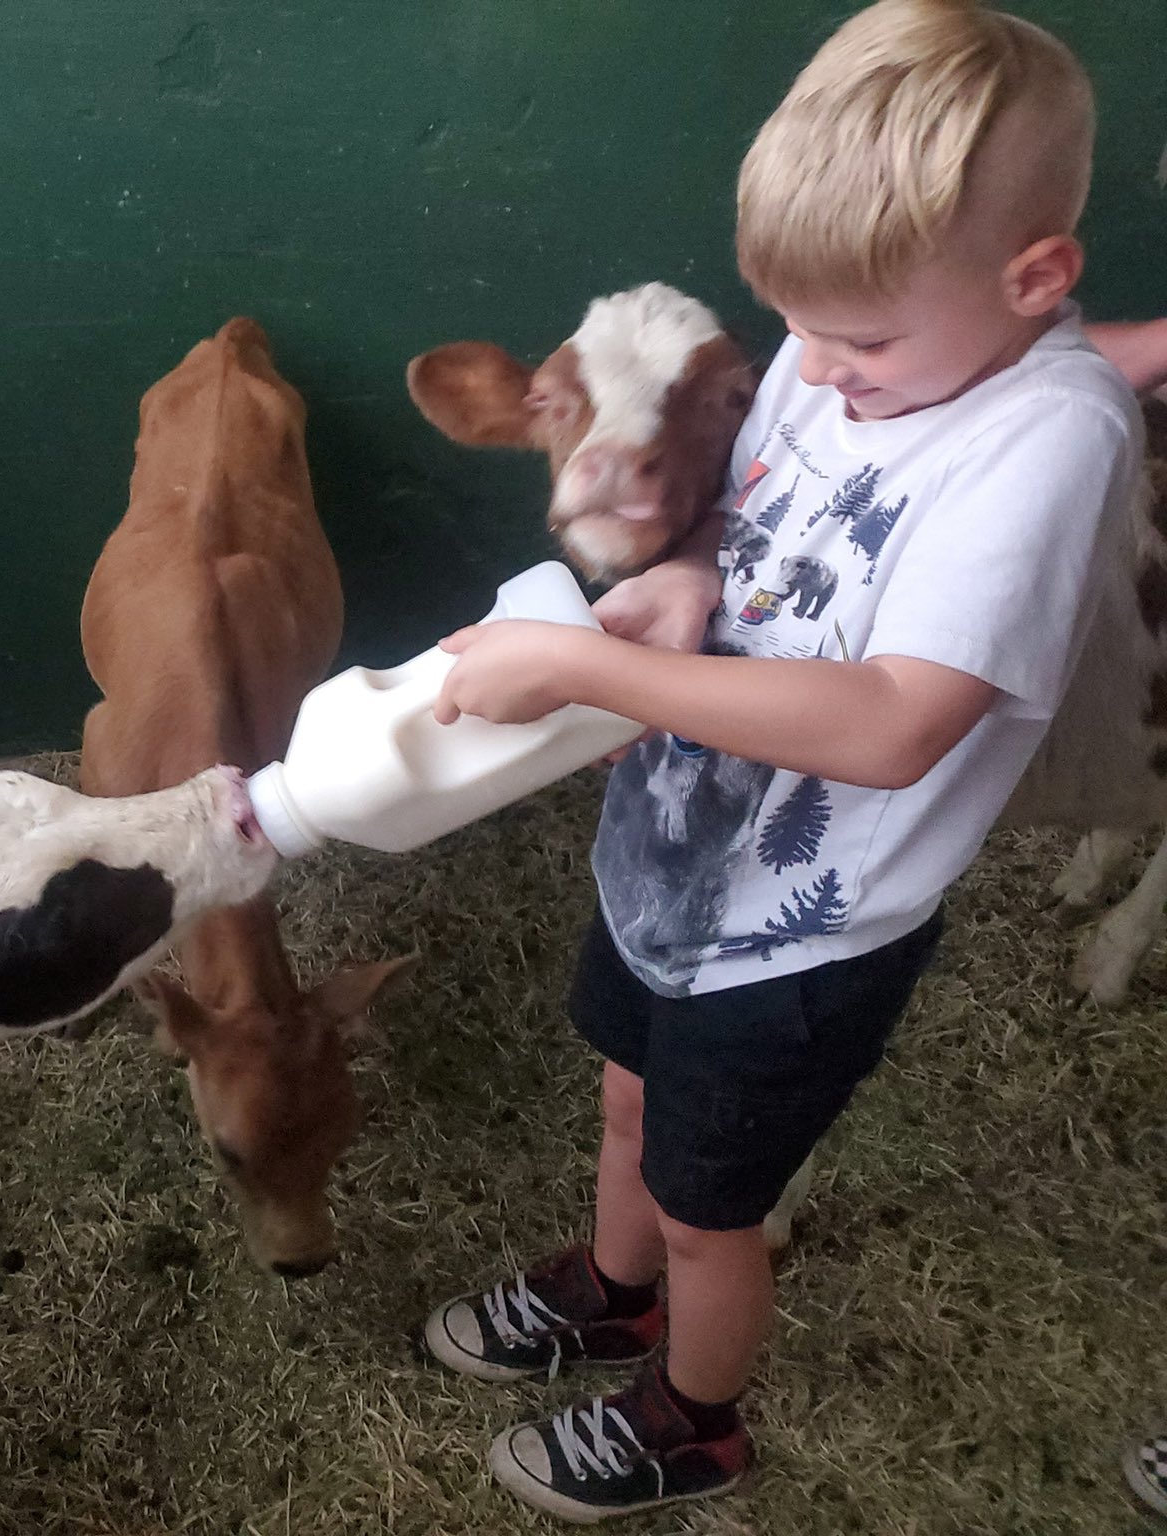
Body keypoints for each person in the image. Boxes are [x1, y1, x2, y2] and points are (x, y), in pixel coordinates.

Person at [416, 0, 1148, 1520]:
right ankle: (613, 1293)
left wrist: (589, 664)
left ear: (1036, 278)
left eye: (856, 336)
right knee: (627, 1102)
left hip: (798, 942)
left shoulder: (1040, 440)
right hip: (672, 855)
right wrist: (687, 569)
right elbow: (747, 517)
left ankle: (694, 1412)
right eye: (793, 322)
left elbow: (895, 721)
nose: (809, 363)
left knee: (712, 1209)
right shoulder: (847, 349)